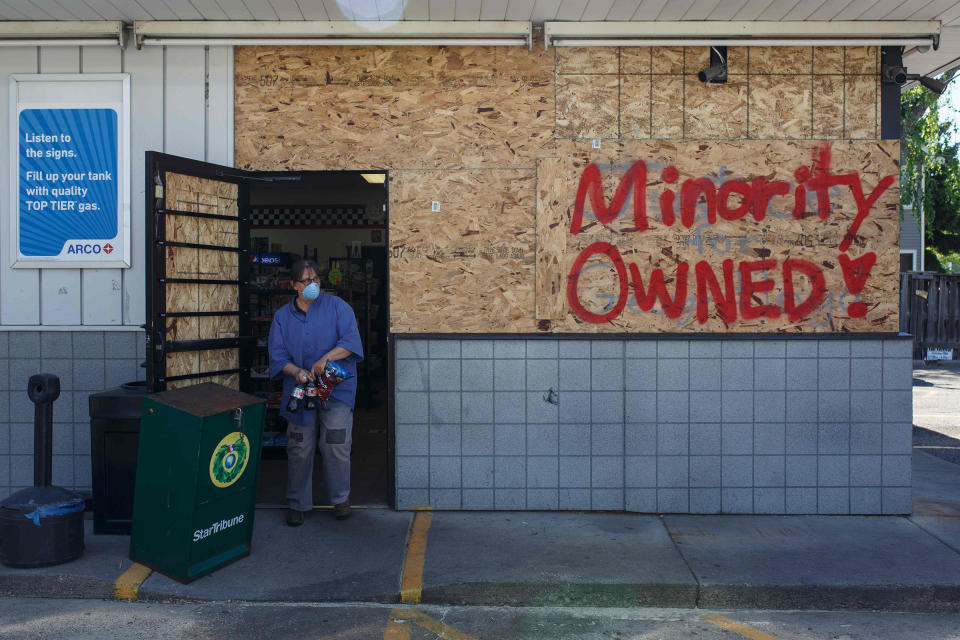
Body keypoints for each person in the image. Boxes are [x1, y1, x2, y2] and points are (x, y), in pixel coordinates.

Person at [268, 259, 364, 527]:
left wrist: (326, 359)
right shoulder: (282, 317)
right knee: (299, 446)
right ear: (294, 286)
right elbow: (277, 357)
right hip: (300, 392)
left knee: (335, 444)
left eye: (316, 279)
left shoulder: (338, 307)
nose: (313, 285)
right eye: (306, 281)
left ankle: (340, 499)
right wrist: (295, 371)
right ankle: (298, 503)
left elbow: (350, 343)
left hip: (336, 390)